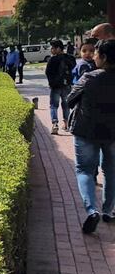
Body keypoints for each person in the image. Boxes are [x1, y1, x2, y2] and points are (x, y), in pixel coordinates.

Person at [67, 40, 115, 233]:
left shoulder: (89, 77)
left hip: (86, 131)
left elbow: (70, 99)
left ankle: (91, 210)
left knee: (85, 171)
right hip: (112, 133)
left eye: (96, 53)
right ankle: (108, 211)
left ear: (103, 57)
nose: (93, 56)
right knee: (111, 171)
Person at [45, 39, 76, 135]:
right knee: (66, 105)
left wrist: (51, 83)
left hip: (55, 86)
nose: (51, 50)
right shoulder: (70, 58)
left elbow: (48, 72)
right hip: (67, 85)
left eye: (53, 48)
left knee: (54, 105)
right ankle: (66, 124)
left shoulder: (53, 59)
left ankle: (55, 124)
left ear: (58, 48)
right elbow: (74, 70)